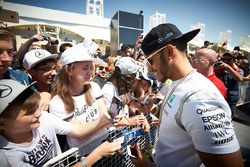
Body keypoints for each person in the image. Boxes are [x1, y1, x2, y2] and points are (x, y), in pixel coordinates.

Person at [130, 23, 243, 167]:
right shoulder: (178, 82)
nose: (150, 68)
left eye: (150, 60)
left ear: (169, 52)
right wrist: (153, 109)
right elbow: (180, 118)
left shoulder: (199, 98)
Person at [0, 79, 121, 166]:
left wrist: (107, 119)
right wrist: (97, 155)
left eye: (37, 107)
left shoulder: (44, 119)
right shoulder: (7, 158)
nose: (39, 113)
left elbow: (78, 131)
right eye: (29, 112)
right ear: (2, 124)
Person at [49, 43, 112, 156]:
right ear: (69, 70)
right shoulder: (57, 102)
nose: (90, 72)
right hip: (83, 156)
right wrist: (106, 120)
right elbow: (80, 133)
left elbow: (104, 115)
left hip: (105, 145)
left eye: (91, 67)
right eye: (84, 68)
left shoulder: (94, 87)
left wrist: (111, 117)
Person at [101, 57, 150, 131]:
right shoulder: (108, 90)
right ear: (125, 77)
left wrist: (142, 118)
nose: (134, 81)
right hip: (111, 136)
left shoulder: (120, 88)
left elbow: (132, 101)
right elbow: (106, 120)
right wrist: (129, 122)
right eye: (133, 77)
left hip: (121, 132)